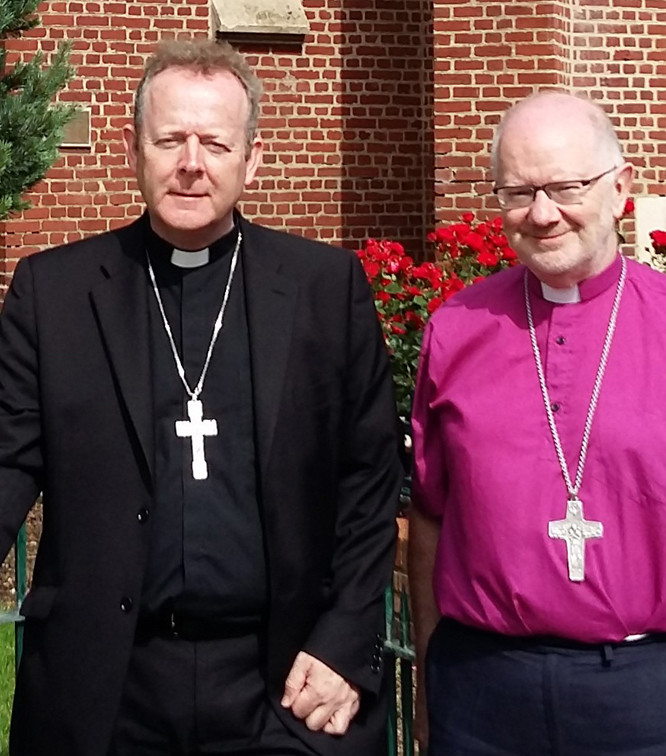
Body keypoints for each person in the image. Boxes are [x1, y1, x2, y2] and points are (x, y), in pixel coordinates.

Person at [0, 39, 402, 755]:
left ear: (251, 158)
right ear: (134, 150)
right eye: (169, 139)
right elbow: (5, 467)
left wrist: (345, 644)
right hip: (107, 692)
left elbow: (370, 482)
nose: (191, 162)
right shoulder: (53, 294)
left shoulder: (325, 290)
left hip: (285, 687)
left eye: (215, 142)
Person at [407, 90, 666, 755]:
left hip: (656, 695)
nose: (543, 213)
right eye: (519, 192)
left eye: (566, 187)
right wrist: (437, 685)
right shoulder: (456, 332)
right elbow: (430, 520)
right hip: (486, 696)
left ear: (620, 189)